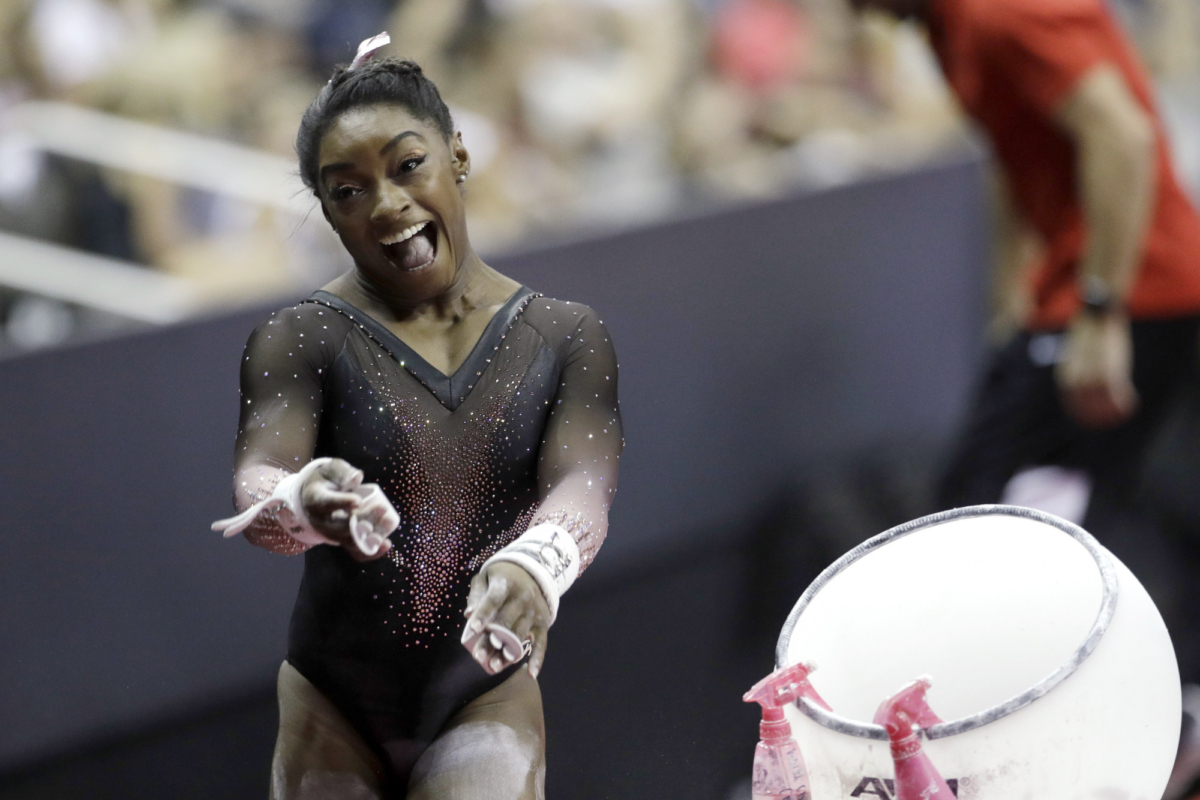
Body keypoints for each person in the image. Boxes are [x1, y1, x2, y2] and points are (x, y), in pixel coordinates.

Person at [213, 37, 622, 800]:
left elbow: (584, 485)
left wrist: (539, 561)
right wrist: (301, 501)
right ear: (328, 212)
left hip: (483, 694)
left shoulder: (564, 335)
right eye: (348, 191)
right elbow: (257, 482)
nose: (388, 204)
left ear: (458, 155)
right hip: (331, 703)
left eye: (407, 166)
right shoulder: (302, 336)